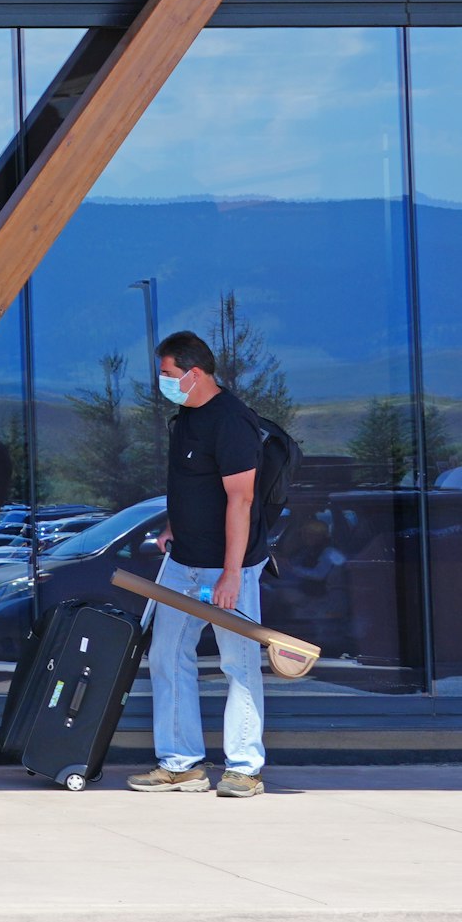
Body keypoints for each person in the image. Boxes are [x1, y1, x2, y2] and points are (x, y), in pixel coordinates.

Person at [134, 327, 270, 798]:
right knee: (168, 657)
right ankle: (181, 764)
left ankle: (245, 769)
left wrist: (231, 573)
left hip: (226, 566)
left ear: (194, 373)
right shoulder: (185, 418)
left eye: (168, 373)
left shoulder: (231, 420)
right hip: (183, 561)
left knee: (238, 664)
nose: (162, 380)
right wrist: (174, 526)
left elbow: (241, 499)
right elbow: (188, 484)